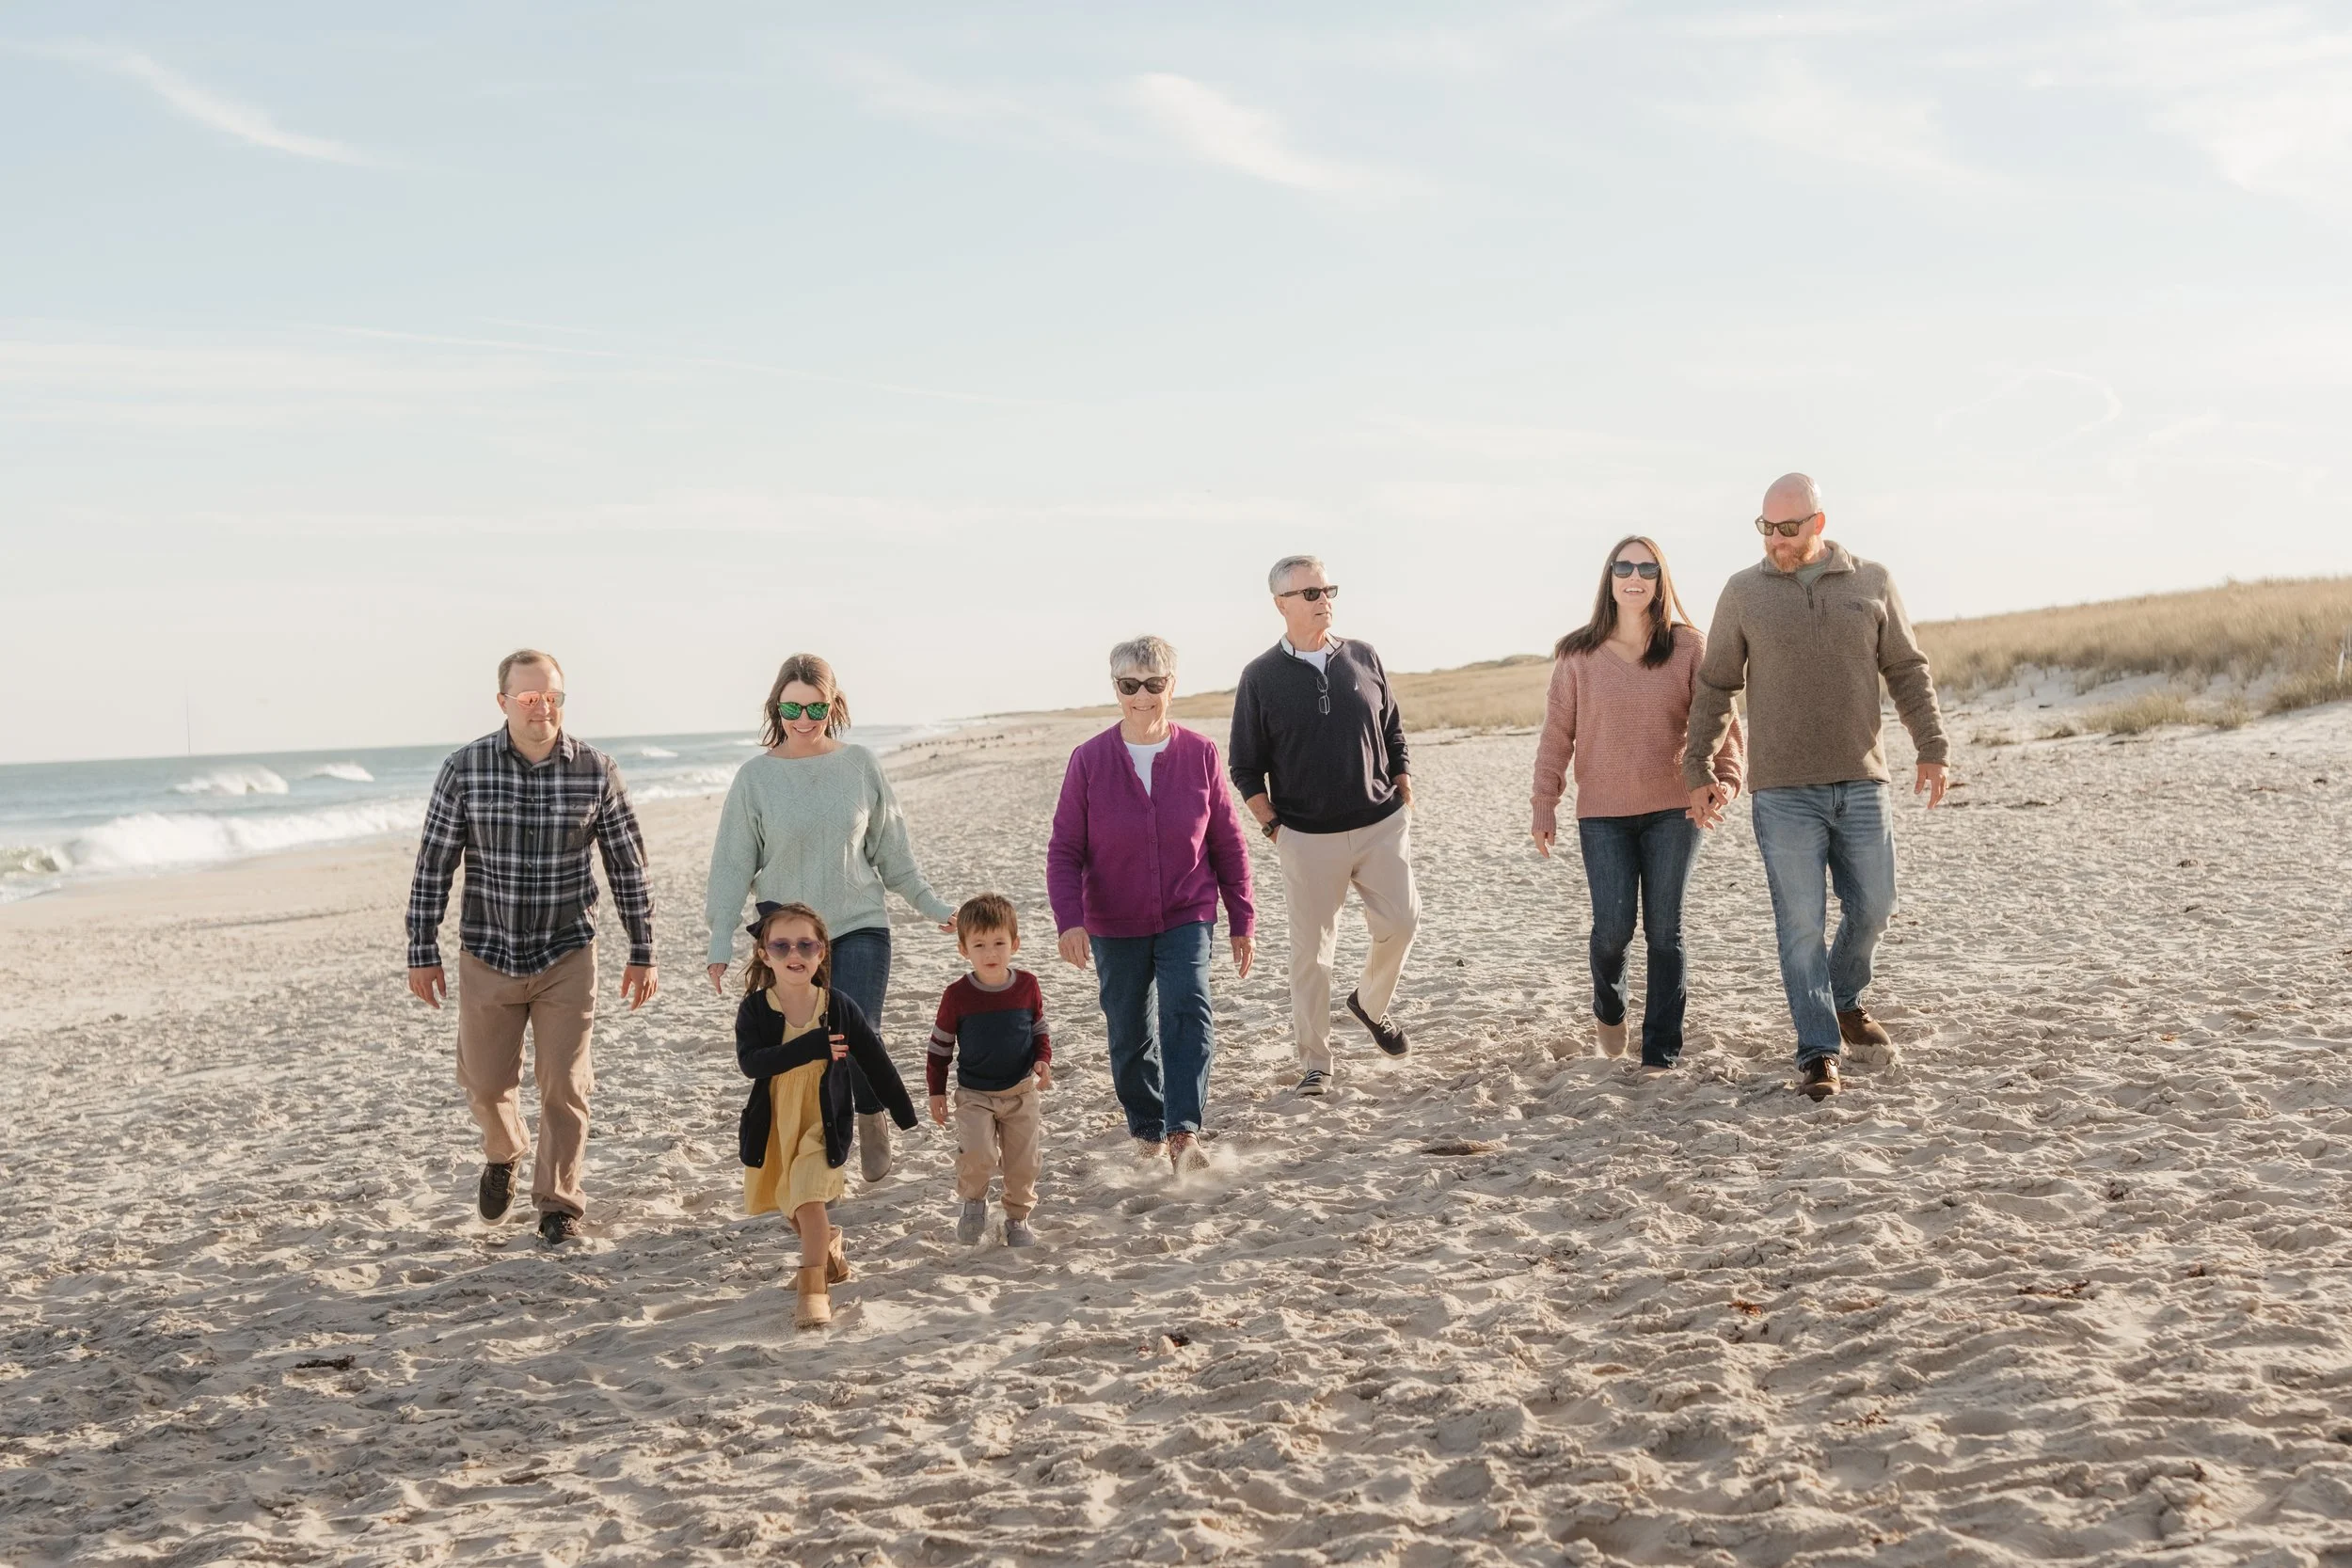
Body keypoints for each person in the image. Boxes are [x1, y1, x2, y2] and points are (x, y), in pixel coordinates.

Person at [1685, 473, 1948, 1102]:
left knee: (1877, 904)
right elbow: (1717, 685)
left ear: (1818, 524)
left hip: (1862, 780)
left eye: (1789, 528)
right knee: (1800, 923)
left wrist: (1932, 746)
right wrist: (1697, 765)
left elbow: (1907, 670)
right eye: (1766, 528)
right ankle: (1818, 1049)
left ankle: (1845, 997)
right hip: (1783, 792)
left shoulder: (1872, 581)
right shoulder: (1743, 592)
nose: (1776, 540)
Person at [405, 649, 658, 1245]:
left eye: (552, 697)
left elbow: (629, 868)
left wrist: (642, 949)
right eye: (529, 698)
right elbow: (433, 865)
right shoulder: (464, 769)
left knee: (565, 1084)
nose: (542, 707)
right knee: (487, 1084)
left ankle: (558, 1203)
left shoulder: (596, 770)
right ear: (504, 702)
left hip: (568, 952)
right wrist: (421, 948)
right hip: (487, 952)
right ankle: (504, 1148)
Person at [704, 653, 957, 1184]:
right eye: (791, 705)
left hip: (858, 923)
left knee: (859, 1031)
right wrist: (720, 942)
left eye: (815, 705)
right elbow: (731, 865)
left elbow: (893, 854)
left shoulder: (860, 764)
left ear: (833, 704)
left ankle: (869, 1117)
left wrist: (934, 906)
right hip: (787, 938)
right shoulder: (755, 778)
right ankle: (818, 1148)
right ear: (776, 705)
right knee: (807, 1050)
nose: (803, 716)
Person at [1532, 537, 1743, 1072]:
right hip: (1602, 813)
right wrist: (1545, 803)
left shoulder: (1689, 647)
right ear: (1609, 577)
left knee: (1665, 930)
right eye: (1624, 566)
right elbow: (1557, 735)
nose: (1635, 575)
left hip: (1675, 808)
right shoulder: (1577, 654)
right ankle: (1610, 1010)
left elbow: (1722, 723)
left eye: (1646, 568)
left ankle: (1660, 1054)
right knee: (1611, 931)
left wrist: (1725, 781)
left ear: (1659, 579)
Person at [1045, 637, 1255, 1168]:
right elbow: (1065, 850)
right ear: (1115, 689)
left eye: (1154, 685)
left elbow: (1227, 842)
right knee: (1129, 1029)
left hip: (1188, 910)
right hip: (1113, 921)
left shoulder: (1201, 753)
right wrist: (1069, 921)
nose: (1142, 696)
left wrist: (1241, 917)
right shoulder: (1089, 760)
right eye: (1129, 685)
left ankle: (1184, 1132)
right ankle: (1147, 1127)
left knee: (1189, 1010)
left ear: (1172, 686)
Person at [1229, 557, 1418, 1097]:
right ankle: (1316, 1060)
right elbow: (1244, 766)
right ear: (1280, 604)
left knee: (1403, 923)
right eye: (1309, 592)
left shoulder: (1363, 656)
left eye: (1327, 589)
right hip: (1306, 837)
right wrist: (1274, 829)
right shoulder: (1260, 677)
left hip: (1382, 823)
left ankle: (1370, 1004)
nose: (1323, 599)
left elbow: (1394, 731)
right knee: (1311, 955)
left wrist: (1403, 790)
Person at [734, 901, 916, 1329]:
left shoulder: (838, 1006)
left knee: (809, 1199)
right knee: (790, 1203)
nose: (793, 954)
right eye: (781, 946)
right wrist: (810, 1046)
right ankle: (829, 1250)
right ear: (765, 954)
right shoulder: (756, 1009)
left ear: (821, 952)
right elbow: (752, 1064)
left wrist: (904, 1112)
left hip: (823, 1120)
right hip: (777, 1122)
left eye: (805, 944)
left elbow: (874, 1061)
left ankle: (813, 1291)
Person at [927, 894, 1053, 1246]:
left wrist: (1043, 1059)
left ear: (1015, 944)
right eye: (979, 945)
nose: (990, 953)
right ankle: (973, 1203)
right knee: (979, 1155)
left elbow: (1039, 1029)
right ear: (963, 950)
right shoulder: (957, 995)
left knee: (1023, 1163)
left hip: (1021, 1093)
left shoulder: (1027, 985)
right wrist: (937, 1091)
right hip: (975, 1094)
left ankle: (1017, 1219)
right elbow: (939, 1048)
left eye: (999, 943)